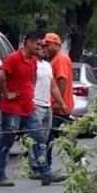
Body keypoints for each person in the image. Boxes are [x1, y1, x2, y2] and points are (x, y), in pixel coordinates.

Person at [0, 31, 41, 187]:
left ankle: (44, 172)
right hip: (13, 108)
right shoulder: (13, 58)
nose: (40, 48)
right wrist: (5, 93)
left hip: (28, 107)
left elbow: (32, 78)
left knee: (38, 138)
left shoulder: (33, 60)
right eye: (37, 44)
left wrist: (29, 91)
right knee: (7, 141)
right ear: (28, 42)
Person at [30, 41, 69, 184]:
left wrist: (61, 103)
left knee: (45, 139)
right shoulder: (32, 64)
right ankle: (35, 168)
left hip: (47, 106)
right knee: (36, 137)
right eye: (41, 47)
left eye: (45, 47)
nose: (43, 49)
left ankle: (42, 167)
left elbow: (53, 87)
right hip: (35, 104)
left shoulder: (47, 65)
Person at [41, 32, 75, 167]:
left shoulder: (60, 59)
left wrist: (57, 102)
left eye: (48, 45)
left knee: (49, 137)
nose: (46, 48)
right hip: (60, 105)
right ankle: (78, 159)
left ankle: (45, 166)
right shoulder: (56, 59)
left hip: (59, 107)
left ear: (57, 45)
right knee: (61, 136)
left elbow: (62, 80)